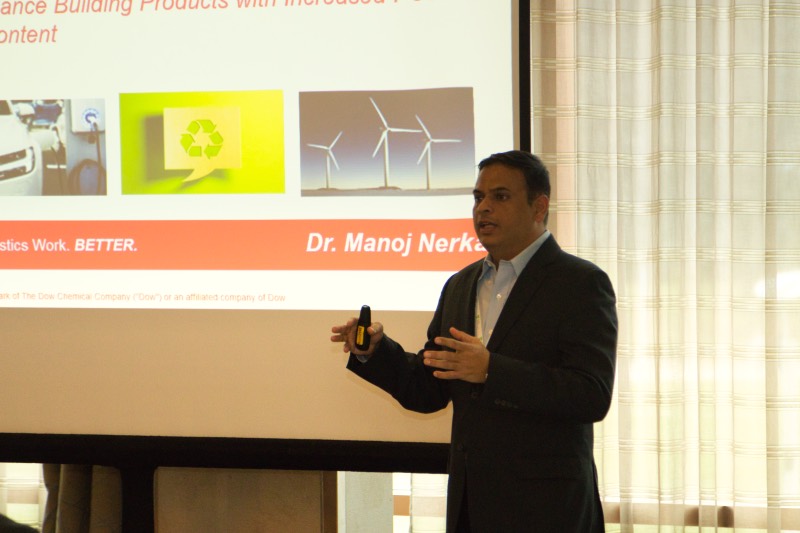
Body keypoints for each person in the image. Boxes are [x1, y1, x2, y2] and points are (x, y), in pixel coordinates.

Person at [331, 150, 618, 532]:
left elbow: (591, 394)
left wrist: (490, 370)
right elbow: (429, 389)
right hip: (471, 507)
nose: (483, 208)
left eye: (500, 196)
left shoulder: (580, 283)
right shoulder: (461, 285)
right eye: (478, 197)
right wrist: (375, 352)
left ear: (539, 206)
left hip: (547, 510)